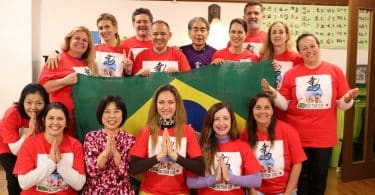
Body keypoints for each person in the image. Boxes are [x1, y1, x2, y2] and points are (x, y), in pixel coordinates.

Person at [261, 33, 359, 195]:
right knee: (301, 177)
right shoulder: (292, 74)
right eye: (304, 48)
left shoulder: (334, 70)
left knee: (319, 177)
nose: (309, 50)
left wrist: (348, 98)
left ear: (318, 47)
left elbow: (342, 104)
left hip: (323, 137)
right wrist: (273, 93)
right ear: (299, 52)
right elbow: (284, 105)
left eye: (312, 46)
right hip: (297, 136)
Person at [130, 84, 204, 195]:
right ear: (155, 105)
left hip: (180, 192)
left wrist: (175, 156)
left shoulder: (188, 131)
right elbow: (133, 168)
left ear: (177, 104)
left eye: (170, 102)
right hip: (149, 191)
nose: (166, 107)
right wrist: (159, 156)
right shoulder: (146, 131)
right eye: (161, 102)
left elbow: (199, 167)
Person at [187, 102, 262, 195]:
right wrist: (214, 179)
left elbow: (257, 180)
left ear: (231, 121)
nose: (221, 123)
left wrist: (230, 178)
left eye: (225, 118)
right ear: (211, 122)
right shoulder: (201, 146)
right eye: (216, 119)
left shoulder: (242, 146)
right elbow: (190, 182)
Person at [13, 102, 86, 194]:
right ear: (44, 120)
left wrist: (60, 163)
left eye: (60, 118)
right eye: (51, 118)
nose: (55, 122)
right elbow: (24, 183)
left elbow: (79, 184)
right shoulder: (30, 144)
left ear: (66, 123)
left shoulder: (75, 145)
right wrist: (50, 163)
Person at [241, 92, 306, 195]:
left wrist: (287, 193)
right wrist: (252, 191)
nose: (262, 111)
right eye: (258, 107)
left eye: (267, 107)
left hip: (285, 190)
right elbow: (246, 167)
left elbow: (297, 164)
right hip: (258, 190)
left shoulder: (288, 131)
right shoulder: (246, 134)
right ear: (252, 111)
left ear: (272, 111)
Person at [39, 26, 96, 137]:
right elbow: (42, 88)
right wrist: (65, 81)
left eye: (85, 40)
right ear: (69, 40)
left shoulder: (89, 64)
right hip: (60, 121)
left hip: (81, 121)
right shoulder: (57, 59)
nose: (81, 42)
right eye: (77, 38)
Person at [0, 83, 49, 195]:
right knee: (14, 176)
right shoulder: (12, 114)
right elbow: (15, 151)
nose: (33, 107)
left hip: (29, 146)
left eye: (39, 103)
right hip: (7, 147)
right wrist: (29, 133)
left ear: (45, 103)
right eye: (28, 103)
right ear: (22, 102)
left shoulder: (46, 114)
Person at [46, 13, 133, 77]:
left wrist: (128, 71)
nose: (104, 31)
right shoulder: (92, 49)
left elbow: (131, 79)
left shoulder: (126, 51)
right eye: (100, 28)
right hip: (96, 94)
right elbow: (70, 54)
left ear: (115, 28)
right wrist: (54, 53)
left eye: (107, 27)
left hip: (118, 94)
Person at [83, 96, 135, 194]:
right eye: (107, 111)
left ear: (123, 114)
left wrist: (115, 154)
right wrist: (105, 153)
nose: (112, 116)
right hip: (95, 192)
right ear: (101, 114)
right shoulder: (91, 137)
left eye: (116, 111)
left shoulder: (130, 139)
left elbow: (127, 173)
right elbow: (91, 172)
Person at [260, 21, 303, 121]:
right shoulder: (263, 58)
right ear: (269, 36)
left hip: (289, 111)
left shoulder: (297, 59)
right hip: (267, 110)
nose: (277, 35)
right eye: (274, 32)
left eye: (281, 32)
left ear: (287, 35)